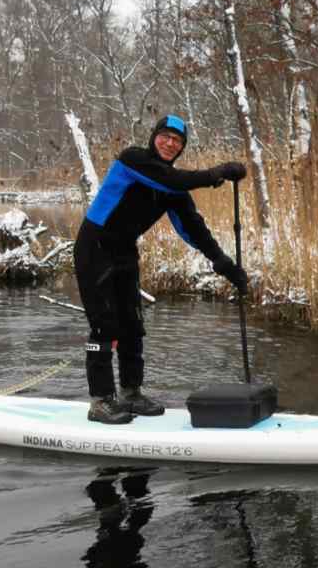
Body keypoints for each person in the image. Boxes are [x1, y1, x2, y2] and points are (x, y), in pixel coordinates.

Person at [74, 114, 248, 424]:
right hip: (95, 249)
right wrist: (216, 173)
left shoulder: (173, 189)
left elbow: (192, 227)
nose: (170, 143)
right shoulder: (133, 160)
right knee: (105, 325)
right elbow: (169, 179)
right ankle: (100, 401)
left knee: (132, 324)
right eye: (165, 136)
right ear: (154, 137)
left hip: (124, 251)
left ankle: (130, 393)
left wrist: (223, 263)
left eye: (177, 141)